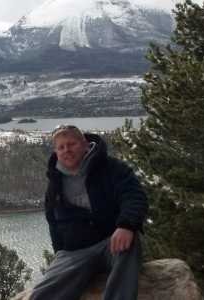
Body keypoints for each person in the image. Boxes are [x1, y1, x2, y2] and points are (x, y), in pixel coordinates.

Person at [29, 124, 148, 300]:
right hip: (75, 252)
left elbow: (135, 196)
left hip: (111, 244)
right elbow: (53, 224)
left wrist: (126, 224)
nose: (67, 150)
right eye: (61, 147)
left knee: (131, 240)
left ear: (84, 144)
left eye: (71, 144)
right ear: (56, 153)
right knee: (40, 296)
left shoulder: (111, 168)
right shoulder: (54, 184)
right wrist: (60, 254)